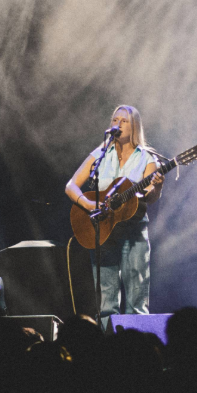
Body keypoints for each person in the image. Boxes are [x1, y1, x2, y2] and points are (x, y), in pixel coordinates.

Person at [65, 105, 164, 327]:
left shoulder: (147, 158)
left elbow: (149, 197)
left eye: (124, 121)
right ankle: (108, 342)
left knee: (136, 300)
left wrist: (157, 187)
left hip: (133, 232)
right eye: (114, 120)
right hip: (103, 229)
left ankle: (137, 342)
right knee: (106, 302)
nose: (117, 124)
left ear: (134, 126)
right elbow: (71, 185)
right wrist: (88, 204)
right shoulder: (100, 153)